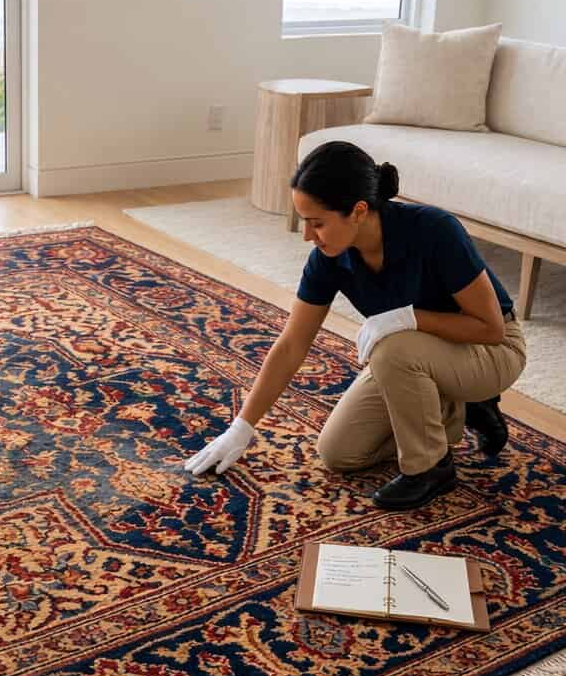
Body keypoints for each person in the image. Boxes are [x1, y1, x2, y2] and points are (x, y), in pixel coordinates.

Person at [185, 141, 527, 510]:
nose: (308, 236)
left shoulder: (435, 230)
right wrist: (242, 427)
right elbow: (292, 344)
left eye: (317, 223)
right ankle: (456, 405)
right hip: (421, 354)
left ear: (359, 211)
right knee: (339, 453)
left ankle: (431, 468)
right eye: (304, 223)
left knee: (392, 348)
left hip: (490, 350)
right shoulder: (330, 257)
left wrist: (407, 317)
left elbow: (490, 328)